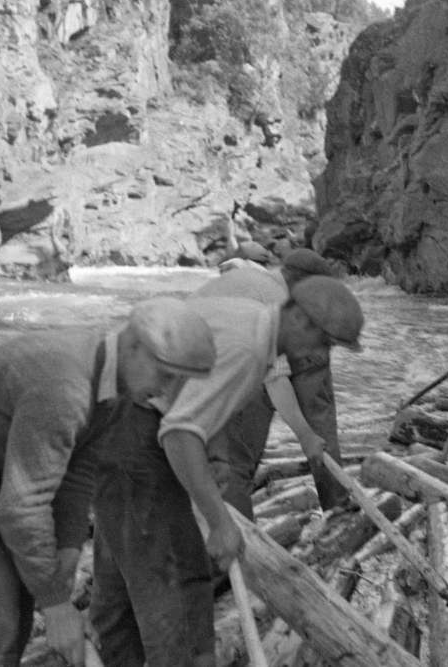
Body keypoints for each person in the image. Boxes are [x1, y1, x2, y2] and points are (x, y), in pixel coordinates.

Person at [0, 298, 217, 667]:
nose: (172, 393)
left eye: (182, 381)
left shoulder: (114, 387)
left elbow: (78, 470)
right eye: (166, 376)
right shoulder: (67, 388)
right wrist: (57, 606)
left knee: (19, 608)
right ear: (133, 345)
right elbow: (22, 508)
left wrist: (68, 550)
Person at [90, 275, 364, 667]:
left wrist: (214, 456)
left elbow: (194, 401)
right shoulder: (250, 348)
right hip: (133, 424)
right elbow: (179, 434)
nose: (321, 356)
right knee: (180, 574)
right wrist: (218, 521)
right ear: (300, 321)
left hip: (109, 414)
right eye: (324, 343)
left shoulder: (251, 320)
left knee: (119, 570)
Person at [194, 249, 357, 517]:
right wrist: (305, 435)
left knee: (227, 464)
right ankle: (241, 545)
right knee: (235, 467)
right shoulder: (278, 304)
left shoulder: (251, 278)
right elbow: (276, 379)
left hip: (184, 374)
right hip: (215, 376)